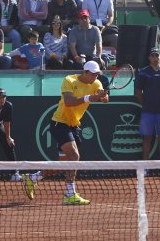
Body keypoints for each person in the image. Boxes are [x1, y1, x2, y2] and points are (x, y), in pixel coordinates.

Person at [21, 60, 108, 205]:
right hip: (59, 123)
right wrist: (89, 98)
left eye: (97, 74)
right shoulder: (69, 80)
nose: (95, 77)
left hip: (74, 125)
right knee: (74, 155)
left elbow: (104, 98)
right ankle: (70, 194)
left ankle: (33, 178)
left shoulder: (97, 83)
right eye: (92, 74)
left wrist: (103, 97)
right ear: (84, 72)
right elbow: (68, 102)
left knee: (63, 166)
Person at [135, 47, 160, 177]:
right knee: (147, 138)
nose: (155, 58)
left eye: (156, 55)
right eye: (152, 56)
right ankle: (145, 168)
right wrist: (146, 104)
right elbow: (138, 92)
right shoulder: (143, 72)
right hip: (148, 112)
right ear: (149, 58)